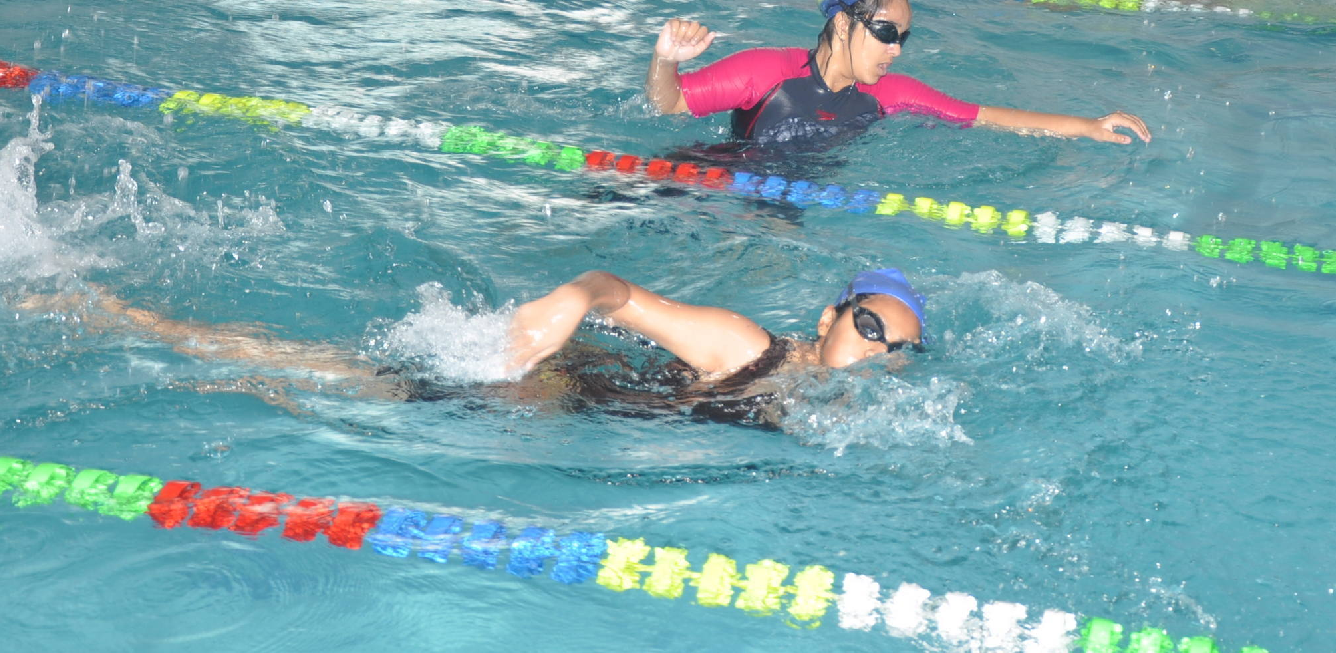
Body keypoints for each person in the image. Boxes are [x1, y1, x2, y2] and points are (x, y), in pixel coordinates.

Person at [20, 267, 928, 431]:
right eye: (869, 326)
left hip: (553, 421)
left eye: (897, 350)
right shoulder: (743, 347)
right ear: (829, 317)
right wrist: (567, 304)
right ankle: (114, 316)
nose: (878, 353)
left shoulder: (828, 409)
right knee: (315, 376)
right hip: (533, 386)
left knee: (308, 390)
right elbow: (614, 291)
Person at [646, 0, 1152, 147]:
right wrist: (665, 59)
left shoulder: (889, 94)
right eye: (886, 32)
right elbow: (667, 105)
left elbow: (983, 116)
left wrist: (1089, 126)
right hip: (706, 186)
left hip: (786, 209)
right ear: (842, 23)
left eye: (902, 38)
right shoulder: (765, 71)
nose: (895, 49)